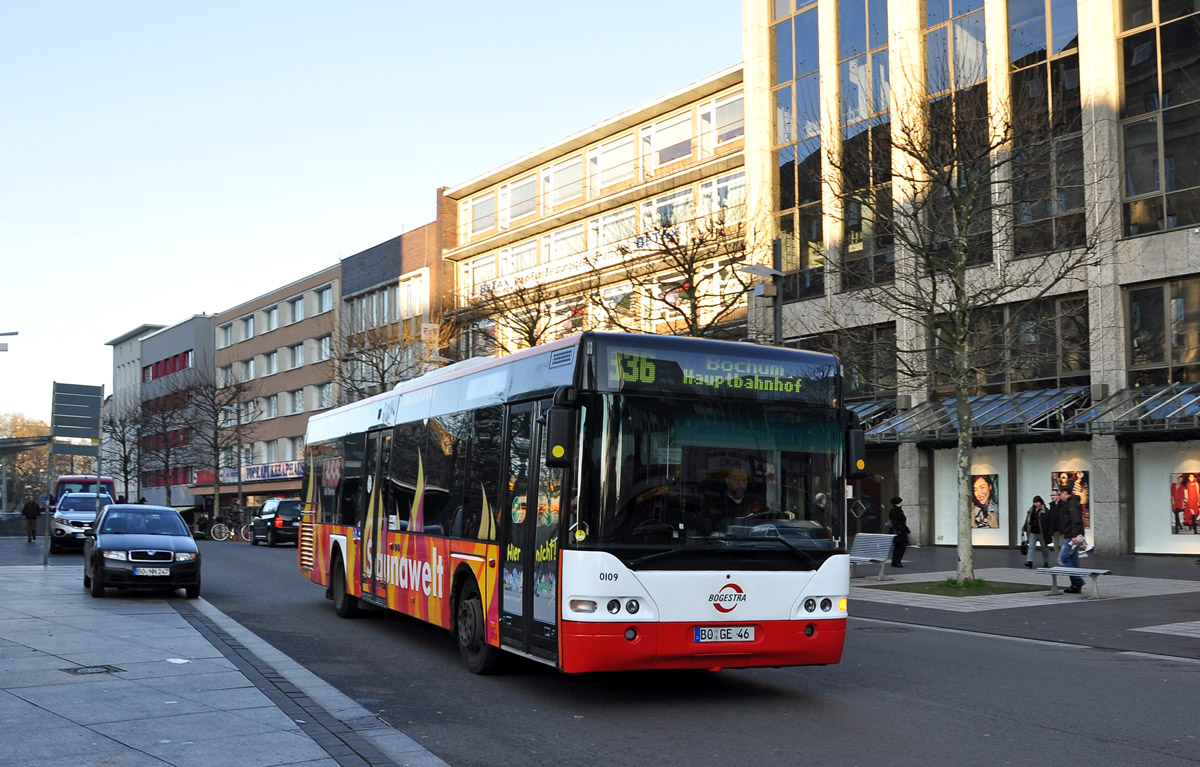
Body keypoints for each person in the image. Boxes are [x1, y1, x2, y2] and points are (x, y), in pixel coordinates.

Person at [1058, 485, 1086, 593]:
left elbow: (1075, 520)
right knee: (1073, 560)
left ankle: (1078, 580)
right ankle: (1075, 585)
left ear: (1066, 493)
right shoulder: (1069, 503)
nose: (1060, 496)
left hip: (1071, 536)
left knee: (1063, 558)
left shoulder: (1071, 504)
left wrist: (1074, 535)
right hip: (1072, 535)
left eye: (1060, 494)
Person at [1021, 495, 1052, 568]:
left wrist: (1049, 531)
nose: (1036, 504)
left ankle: (1046, 561)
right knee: (1031, 547)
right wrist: (1024, 528)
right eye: (1035, 503)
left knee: (1044, 548)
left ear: (1041, 502)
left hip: (1042, 532)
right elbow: (1028, 520)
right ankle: (1029, 561)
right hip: (1033, 531)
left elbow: (1048, 521)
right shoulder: (1031, 510)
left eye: (1037, 502)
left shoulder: (1045, 511)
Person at [887, 496, 909, 568]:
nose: (901, 503)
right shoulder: (895, 511)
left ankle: (895, 561)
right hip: (899, 531)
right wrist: (898, 531)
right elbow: (896, 522)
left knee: (898, 546)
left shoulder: (897, 510)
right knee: (902, 545)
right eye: (900, 502)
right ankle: (897, 561)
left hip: (900, 530)